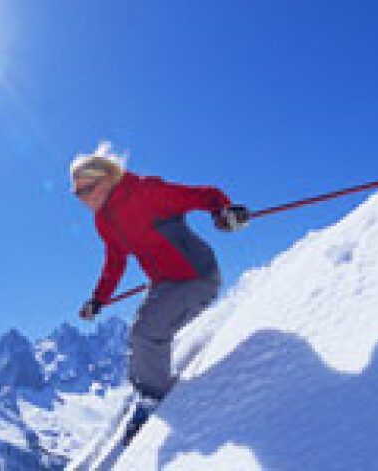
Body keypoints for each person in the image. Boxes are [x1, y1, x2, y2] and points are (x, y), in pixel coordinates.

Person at [70, 142, 248, 443]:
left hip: (196, 277)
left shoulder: (146, 191)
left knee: (146, 335)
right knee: (137, 336)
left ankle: (156, 399)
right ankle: (148, 391)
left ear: (106, 178)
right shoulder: (103, 221)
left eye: (87, 190)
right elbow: (115, 260)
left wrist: (224, 211)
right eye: (77, 194)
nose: (83, 199)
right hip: (163, 283)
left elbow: (204, 195)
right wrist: (98, 298)